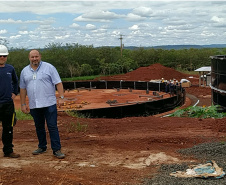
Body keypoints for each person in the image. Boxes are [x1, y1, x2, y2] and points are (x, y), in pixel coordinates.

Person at [20, 49, 65, 159]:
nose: (34, 59)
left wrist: (61, 97)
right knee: (39, 126)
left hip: (49, 103)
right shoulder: (24, 71)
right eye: (32, 57)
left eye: (36, 56)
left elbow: (58, 83)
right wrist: (22, 104)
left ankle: (56, 149)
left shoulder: (49, 68)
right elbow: (22, 88)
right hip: (34, 104)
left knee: (52, 126)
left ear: (40, 56)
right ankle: (42, 146)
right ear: (29, 58)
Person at [0, 45, 20, 158]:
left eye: (4, 56)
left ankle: (8, 150)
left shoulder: (10, 69)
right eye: (0, 56)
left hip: (8, 104)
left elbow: (15, 82)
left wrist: (14, 93)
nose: (2, 57)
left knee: (8, 128)